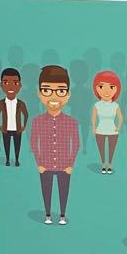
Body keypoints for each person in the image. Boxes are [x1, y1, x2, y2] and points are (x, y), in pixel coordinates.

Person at [29, 65, 80, 226]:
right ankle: (48, 214)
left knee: (64, 190)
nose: (54, 96)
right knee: (46, 189)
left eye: (60, 91)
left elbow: (76, 143)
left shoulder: (71, 122)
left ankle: (62, 214)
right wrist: (39, 163)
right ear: (39, 93)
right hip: (45, 164)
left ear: (68, 95)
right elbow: (33, 142)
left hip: (65, 165)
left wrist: (71, 164)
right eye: (47, 90)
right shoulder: (37, 121)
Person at [90, 69, 124, 175]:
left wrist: (118, 127)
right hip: (100, 130)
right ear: (96, 88)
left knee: (111, 149)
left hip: (113, 130)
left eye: (111, 87)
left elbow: (120, 117)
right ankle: (103, 164)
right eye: (101, 87)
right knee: (101, 149)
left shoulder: (115, 105)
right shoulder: (97, 105)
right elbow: (93, 117)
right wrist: (94, 127)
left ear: (116, 89)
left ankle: (109, 164)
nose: (106, 91)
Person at [0, 67, 29, 167]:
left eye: (15, 83)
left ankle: (17, 160)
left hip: (17, 129)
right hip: (6, 129)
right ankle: (7, 160)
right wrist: (0, 126)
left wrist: (23, 126)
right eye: (6, 83)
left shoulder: (21, 103)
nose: (10, 87)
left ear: (20, 85)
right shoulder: (1, 103)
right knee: (6, 145)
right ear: (1, 85)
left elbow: (26, 114)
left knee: (17, 145)